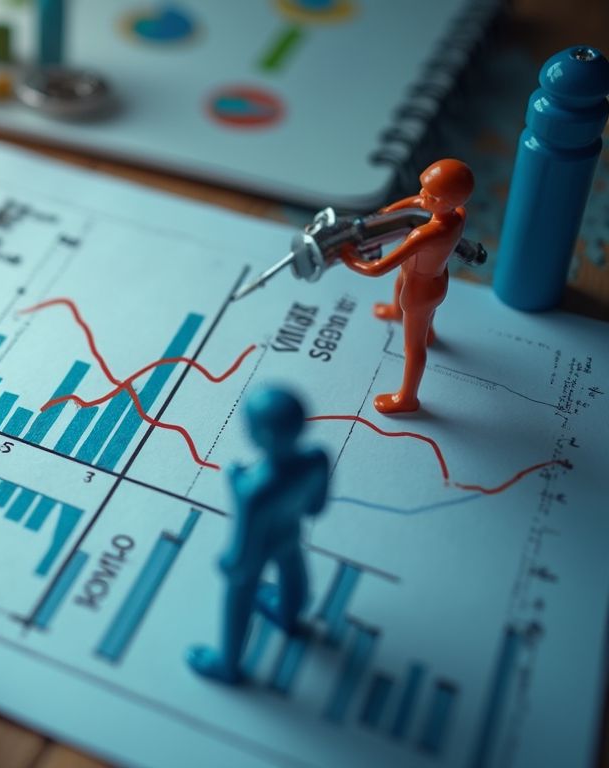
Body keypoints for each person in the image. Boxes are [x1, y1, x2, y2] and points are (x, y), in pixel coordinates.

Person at [188, 386, 328, 684]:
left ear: (260, 435)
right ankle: (288, 618)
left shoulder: (253, 490)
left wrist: (237, 486)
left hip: (255, 553)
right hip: (289, 534)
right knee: (293, 575)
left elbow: (243, 545)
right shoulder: (317, 460)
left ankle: (227, 665)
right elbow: (316, 507)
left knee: (238, 597)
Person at [339, 159, 473, 414]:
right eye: (423, 187)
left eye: (431, 195)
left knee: (413, 347)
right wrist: (388, 211)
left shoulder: (423, 235)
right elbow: (416, 201)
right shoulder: (459, 214)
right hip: (434, 279)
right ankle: (402, 316)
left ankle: (407, 398)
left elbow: (377, 267)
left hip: (418, 290)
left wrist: (348, 257)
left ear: (448, 202)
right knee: (407, 294)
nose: (422, 195)